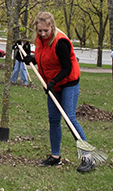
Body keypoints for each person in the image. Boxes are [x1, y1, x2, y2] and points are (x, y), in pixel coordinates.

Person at [16, 12, 94, 173]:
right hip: (52, 83)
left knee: (70, 118)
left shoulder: (61, 42)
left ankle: (88, 157)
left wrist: (53, 82)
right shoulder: (39, 40)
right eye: (40, 31)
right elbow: (45, 58)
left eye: (46, 30)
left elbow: (67, 67)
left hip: (68, 82)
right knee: (53, 119)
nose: (43, 34)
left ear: (52, 26)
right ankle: (55, 157)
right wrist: (30, 58)